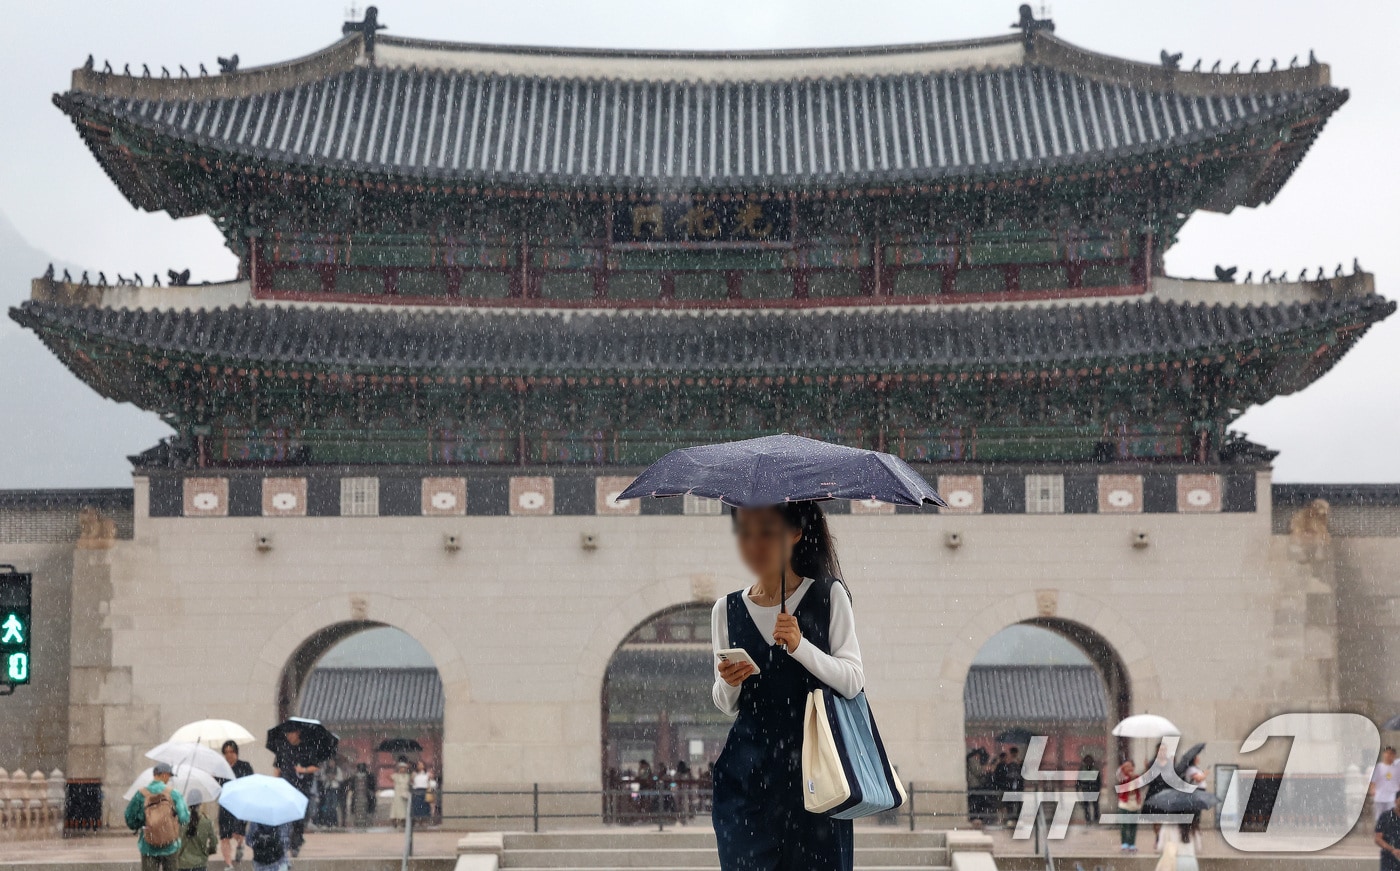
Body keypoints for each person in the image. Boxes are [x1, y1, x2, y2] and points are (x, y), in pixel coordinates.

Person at [710, 501, 863, 871]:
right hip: (746, 773)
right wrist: (729, 684)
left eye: (767, 531)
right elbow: (725, 703)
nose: (754, 543)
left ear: (795, 534)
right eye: (745, 532)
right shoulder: (724, 609)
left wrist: (800, 647)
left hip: (815, 771)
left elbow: (853, 680)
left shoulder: (829, 596)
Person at [125, 762, 192, 871]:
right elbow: (184, 818)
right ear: (164, 775)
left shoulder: (141, 794)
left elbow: (130, 819)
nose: (168, 780)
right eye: (169, 777)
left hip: (148, 845)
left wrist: (143, 823)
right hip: (170, 845)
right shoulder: (174, 793)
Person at [272, 728, 319, 855]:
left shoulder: (307, 749)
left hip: (302, 788)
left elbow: (315, 767)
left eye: (291, 733)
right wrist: (274, 783)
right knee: (287, 816)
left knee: (299, 818)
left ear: (297, 733)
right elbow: (277, 768)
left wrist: (303, 769)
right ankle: (289, 841)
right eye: (287, 733)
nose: (289, 736)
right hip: (286, 787)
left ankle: (296, 843)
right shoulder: (282, 749)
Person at [217, 741, 255, 869]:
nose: (229, 755)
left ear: (236, 753)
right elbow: (217, 787)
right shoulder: (220, 769)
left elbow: (251, 783)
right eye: (226, 752)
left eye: (231, 752)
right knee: (224, 837)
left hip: (240, 805)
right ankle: (229, 864)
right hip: (225, 805)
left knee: (238, 833)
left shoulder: (244, 766)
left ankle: (240, 845)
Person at [176, 804, 219, 871]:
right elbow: (213, 843)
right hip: (200, 863)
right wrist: (207, 852)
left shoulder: (181, 821)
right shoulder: (206, 822)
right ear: (200, 804)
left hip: (183, 863)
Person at [1115, 760, 1142, 852]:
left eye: (1130, 766)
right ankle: (1124, 843)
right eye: (1126, 767)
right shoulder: (1123, 777)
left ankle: (1132, 843)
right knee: (1124, 824)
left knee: (1133, 825)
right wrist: (1123, 768)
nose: (1129, 768)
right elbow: (1119, 774)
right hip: (1124, 804)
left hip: (1134, 803)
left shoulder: (1136, 777)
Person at [1374, 747, 1400, 824]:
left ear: (1394, 755)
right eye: (1387, 753)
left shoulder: (1397, 768)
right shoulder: (1378, 767)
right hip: (1379, 797)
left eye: (1391, 754)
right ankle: (1380, 832)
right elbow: (1373, 781)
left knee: (1392, 816)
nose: (1388, 755)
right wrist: (1372, 790)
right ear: (1384, 754)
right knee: (1379, 816)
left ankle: (1390, 832)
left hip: (1392, 797)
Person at [1375, 793, 1400, 871]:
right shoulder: (1385, 816)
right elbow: (1378, 839)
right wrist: (1392, 849)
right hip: (1388, 859)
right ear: (1396, 801)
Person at [349, 762, 376, 828]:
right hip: (357, 796)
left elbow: (373, 786)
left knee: (368, 807)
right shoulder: (354, 777)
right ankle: (358, 822)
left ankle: (367, 821)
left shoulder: (370, 776)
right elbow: (352, 787)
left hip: (366, 795)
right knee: (356, 809)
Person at [1081, 755, 1102, 824]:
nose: (1088, 763)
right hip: (1087, 790)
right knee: (1088, 806)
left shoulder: (1095, 769)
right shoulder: (1083, 769)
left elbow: (1099, 780)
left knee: (1094, 805)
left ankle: (1094, 818)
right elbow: (1079, 780)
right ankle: (1089, 819)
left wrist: (1098, 789)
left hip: (1093, 789)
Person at [390, 760, 411, 829]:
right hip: (398, 793)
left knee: (404, 807)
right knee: (397, 807)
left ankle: (403, 820)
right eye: (401, 768)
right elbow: (390, 777)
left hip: (405, 793)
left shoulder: (408, 776)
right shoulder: (396, 776)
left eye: (404, 768)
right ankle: (396, 820)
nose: (403, 769)